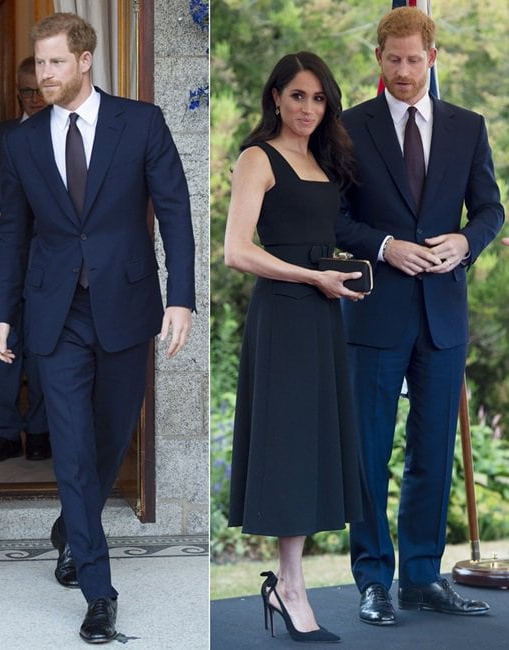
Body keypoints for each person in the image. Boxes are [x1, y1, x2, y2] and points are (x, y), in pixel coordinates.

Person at [0, 12, 195, 644]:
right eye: (38, 62)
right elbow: (15, 232)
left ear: (84, 60)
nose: (43, 74)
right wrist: (2, 310)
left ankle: (71, 527)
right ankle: (98, 590)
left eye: (54, 62)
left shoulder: (142, 122)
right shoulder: (22, 142)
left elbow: (177, 212)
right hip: (57, 312)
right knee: (73, 445)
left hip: (128, 306)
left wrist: (180, 299)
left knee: (109, 436)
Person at [335, 7, 503, 625]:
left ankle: (423, 577)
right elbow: (335, 218)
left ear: (432, 59)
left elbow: (490, 209)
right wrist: (383, 246)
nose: (404, 71)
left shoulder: (468, 126)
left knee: (433, 449)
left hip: (442, 314)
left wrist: (466, 242)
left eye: (414, 60)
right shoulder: (348, 129)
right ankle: (373, 581)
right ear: (378, 59)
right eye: (393, 59)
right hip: (374, 310)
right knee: (369, 453)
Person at [225, 52, 364, 644]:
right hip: (284, 315)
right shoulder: (259, 157)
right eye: (298, 96)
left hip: (324, 316)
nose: (309, 108)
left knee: (311, 447)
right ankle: (292, 586)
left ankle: (288, 581)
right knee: (286, 446)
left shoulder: (325, 158)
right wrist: (312, 277)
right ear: (276, 96)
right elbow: (237, 250)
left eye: (318, 98)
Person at [0, 58, 50, 463]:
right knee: (0, 349)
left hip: (48, 261)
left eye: (40, 90)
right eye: (26, 91)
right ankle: (4, 432)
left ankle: (38, 431)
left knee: (41, 349)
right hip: (0, 256)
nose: (34, 99)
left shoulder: (63, 133)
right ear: (16, 92)